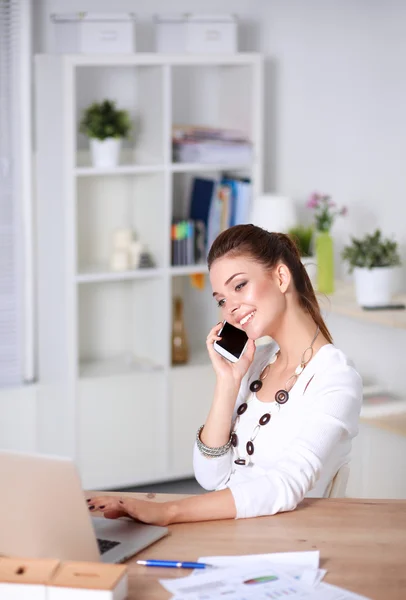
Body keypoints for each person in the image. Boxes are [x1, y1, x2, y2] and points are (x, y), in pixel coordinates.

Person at [87, 225, 362, 525]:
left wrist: (169, 511)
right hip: (228, 533)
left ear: (281, 277)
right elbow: (210, 476)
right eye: (221, 299)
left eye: (240, 286)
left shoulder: (335, 379)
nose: (230, 309)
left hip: (286, 545)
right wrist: (227, 382)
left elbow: (286, 484)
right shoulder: (256, 364)